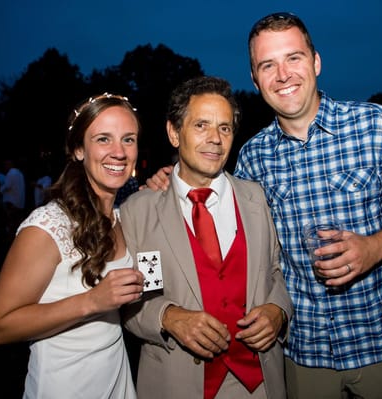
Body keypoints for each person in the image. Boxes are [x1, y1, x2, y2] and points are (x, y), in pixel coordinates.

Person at [145, 12, 382, 399]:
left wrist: (374, 247)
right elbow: (208, 192)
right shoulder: (253, 157)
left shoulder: (376, 125)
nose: (283, 74)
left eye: (294, 58)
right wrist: (166, 181)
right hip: (304, 352)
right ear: (255, 80)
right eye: (267, 65)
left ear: (316, 61)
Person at [119, 76, 292, 399]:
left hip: (259, 383)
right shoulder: (140, 211)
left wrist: (277, 311)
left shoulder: (256, 198)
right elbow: (133, 297)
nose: (215, 139)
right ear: (174, 133)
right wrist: (167, 317)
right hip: (178, 381)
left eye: (224, 128)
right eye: (201, 125)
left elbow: (274, 271)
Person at [0, 92, 145, 399]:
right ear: (78, 150)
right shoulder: (48, 226)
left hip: (116, 383)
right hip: (64, 388)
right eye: (103, 139)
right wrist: (92, 302)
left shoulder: (123, 217)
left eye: (128, 139)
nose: (119, 152)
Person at [0, 157, 27, 240]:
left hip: (11, 202)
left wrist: (1, 189)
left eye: (6, 164)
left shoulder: (11, 173)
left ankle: (11, 240)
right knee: (17, 222)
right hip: (19, 202)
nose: (5, 166)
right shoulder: (20, 173)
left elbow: (7, 186)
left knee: (11, 223)